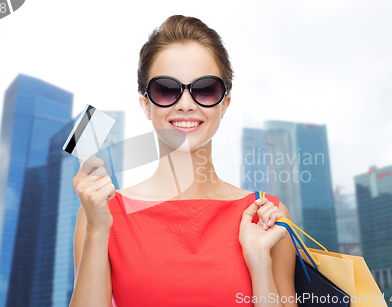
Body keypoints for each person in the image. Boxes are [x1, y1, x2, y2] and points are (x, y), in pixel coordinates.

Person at [70, 15, 297, 307]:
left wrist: (259, 263)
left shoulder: (268, 214)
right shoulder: (102, 214)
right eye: (166, 89)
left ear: (224, 104)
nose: (187, 104)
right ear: (145, 104)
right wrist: (98, 229)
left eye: (205, 89)